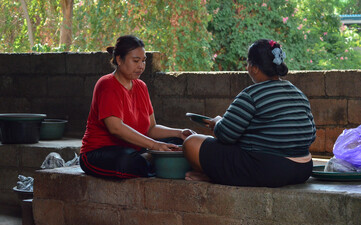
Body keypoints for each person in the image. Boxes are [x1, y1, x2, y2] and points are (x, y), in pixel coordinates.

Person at [183, 39, 316, 187]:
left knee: (191, 143)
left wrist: (217, 122)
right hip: (303, 169)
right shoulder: (298, 93)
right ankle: (216, 176)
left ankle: (214, 176)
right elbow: (312, 135)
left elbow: (226, 135)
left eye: (248, 63)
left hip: (270, 170)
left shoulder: (251, 94)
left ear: (254, 68)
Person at [80, 35, 195, 179]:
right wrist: (154, 146)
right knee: (129, 161)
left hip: (135, 149)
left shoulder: (141, 87)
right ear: (119, 60)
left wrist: (179, 133)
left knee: (181, 143)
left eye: (143, 61)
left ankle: (152, 159)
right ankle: (154, 160)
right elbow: (115, 128)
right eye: (136, 61)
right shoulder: (107, 84)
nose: (141, 66)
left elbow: (151, 129)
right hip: (98, 153)